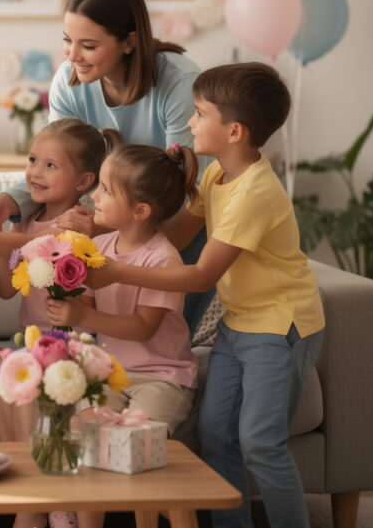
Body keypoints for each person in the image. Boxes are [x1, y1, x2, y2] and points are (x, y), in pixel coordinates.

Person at [86, 63, 326, 528]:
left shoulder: (253, 194)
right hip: (239, 325)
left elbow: (199, 276)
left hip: (280, 328)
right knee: (216, 435)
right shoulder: (218, 174)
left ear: (233, 130)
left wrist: (117, 269)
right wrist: (109, 233)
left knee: (261, 442)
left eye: (198, 114)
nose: (190, 122)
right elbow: (170, 239)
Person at [0, 0, 212, 331]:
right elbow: (58, 167)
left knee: (162, 335)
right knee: (108, 338)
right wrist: (10, 203)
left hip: (179, 223)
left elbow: (197, 192)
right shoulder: (69, 84)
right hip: (116, 226)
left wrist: (142, 256)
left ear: (129, 42)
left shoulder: (179, 84)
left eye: (88, 45)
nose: (73, 56)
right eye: (67, 41)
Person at [0, 118, 117, 528]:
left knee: (33, 377)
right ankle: (42, 480)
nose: (34, 172)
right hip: (33, 344)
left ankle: (35, 500)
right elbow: (5, 287)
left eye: (51, 165)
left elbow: (34, 249)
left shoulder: (83, 224)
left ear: (85, 180)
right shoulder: (24, 222)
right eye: (33, 160)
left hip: (75, 347)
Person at [45, 143, 200, 528]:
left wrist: (83, 313)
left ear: (141, 211)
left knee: (132, 446)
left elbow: (143, 327)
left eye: (106, 190)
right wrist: (64, 290)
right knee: (86, 431)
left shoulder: (162, 259)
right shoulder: (98, 246)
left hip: (162, 376)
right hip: (112, 372)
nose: (93, 196)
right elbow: (88, 306)